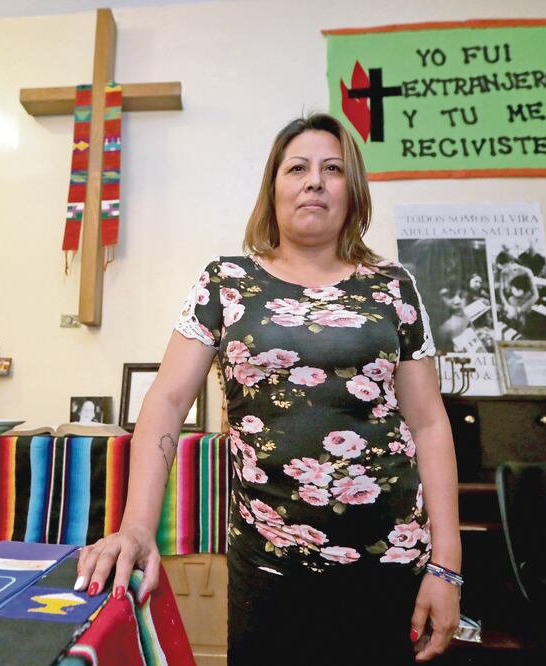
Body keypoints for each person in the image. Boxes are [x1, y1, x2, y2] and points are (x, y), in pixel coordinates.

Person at [76, 113, 461, 663]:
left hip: (392, 565)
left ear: (351, 191)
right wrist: (137, 526)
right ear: (273, 187)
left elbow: (429, 423)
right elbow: (165, 401)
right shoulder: (225, 283)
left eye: (333, 169)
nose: (314, 180)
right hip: (269, 569)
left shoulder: (393, 287)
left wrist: (448, 565)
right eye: (297, 167)